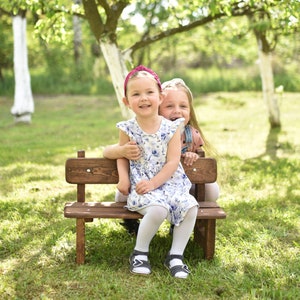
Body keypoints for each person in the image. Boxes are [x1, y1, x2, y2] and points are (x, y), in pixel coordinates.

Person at [103, 78, 220, 234]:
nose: (177, 111)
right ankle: (132, 223)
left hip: (178, 186)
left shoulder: (191, 134)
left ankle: (180, 220)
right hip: (147, 184)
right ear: (158, 106)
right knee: (122, 197)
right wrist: (123, 151)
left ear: (190, 111)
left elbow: (199, 155)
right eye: (169, 106)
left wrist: (193, 154)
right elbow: (109, 151)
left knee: (211, 190)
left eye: (183, 106)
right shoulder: (145, 130)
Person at [114, 65, 198, 278]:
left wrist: (155, 183)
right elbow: (120, 155)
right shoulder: (128, 129)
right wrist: (124, 179)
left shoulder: (172, 128)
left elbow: (172, 163)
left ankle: (176, 256)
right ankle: (140, 253)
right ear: (126, 101)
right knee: (158, 209)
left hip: (169, 183)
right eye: (136, 94)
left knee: (190, 206)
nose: (144, 98)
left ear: (160, 97)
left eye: (149, 92)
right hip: (142, 185)